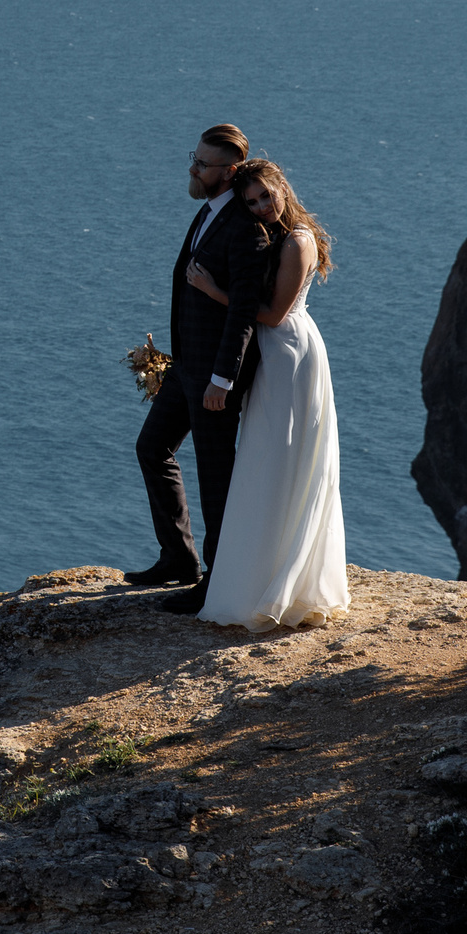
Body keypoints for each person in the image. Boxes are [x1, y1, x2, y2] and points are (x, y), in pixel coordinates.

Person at [188, 159, 349, 631]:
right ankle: (263, 574)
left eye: (266, 196)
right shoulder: (276, 235)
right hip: (275, 354)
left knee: (281, 457)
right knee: (266, 457)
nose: (260, 206)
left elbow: (275, 314)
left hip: (289, 355)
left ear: (282, 187)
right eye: (251, 201)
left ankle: (285, 582)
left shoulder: (297, 240)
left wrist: (214, 290)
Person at [126, 123, 275, 615]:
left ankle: (219, 580)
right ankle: (178, 558)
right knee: (152, 447)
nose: (192, 169)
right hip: (187, 367)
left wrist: (222, 380)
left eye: (201, 164)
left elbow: (243, 314)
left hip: (215, 378)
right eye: (193, 158)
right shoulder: (210, 212)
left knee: (216, 479)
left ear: (228, 172)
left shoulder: (246, 230)